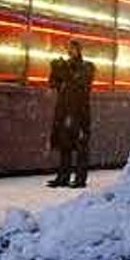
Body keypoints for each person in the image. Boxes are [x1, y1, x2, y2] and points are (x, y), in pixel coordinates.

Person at [48, 41, 95, 188]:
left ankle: (80, 179)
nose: (70, 51)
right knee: (65, 145)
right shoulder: (66, 66)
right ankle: (63, 177)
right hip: (64, 110)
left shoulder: (87, 66)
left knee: (81, 145)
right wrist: (56, 71)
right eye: (68, 49)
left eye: (73, 49)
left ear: (79, 50)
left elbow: (79, 83)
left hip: (80, 111)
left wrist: (64, 71)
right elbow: (53, 83)